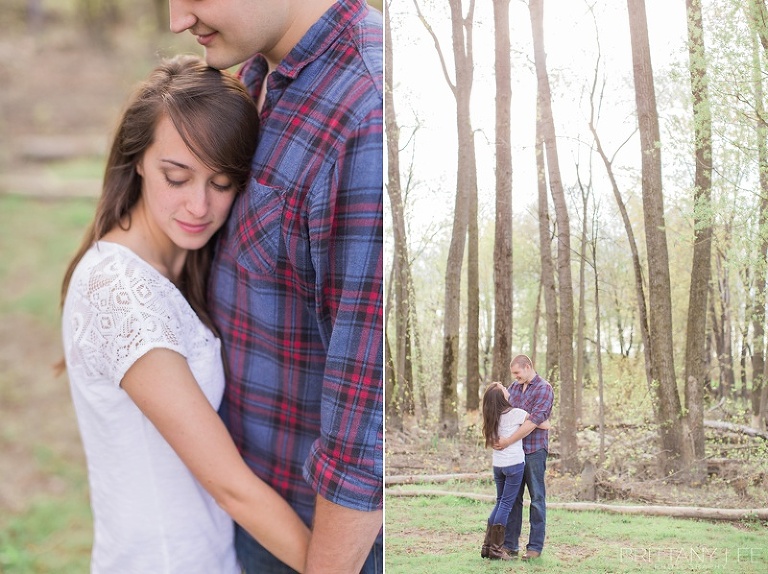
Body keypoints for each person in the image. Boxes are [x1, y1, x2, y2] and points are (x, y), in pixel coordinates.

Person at [60, 55, 310, 573]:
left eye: (221, 184)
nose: (199, 206)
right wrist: (333, 564)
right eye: (177, 177)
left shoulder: (176, 266)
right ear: (138, 161)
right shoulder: (119, 291)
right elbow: (230, 486)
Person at [168, 1, 384, 572]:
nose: (176, 20)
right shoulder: (258, 76)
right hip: (247, 510)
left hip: (320, 541)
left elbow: (367, 424)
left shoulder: (365, 114)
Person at [494, 354, 554, 561]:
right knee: (514, 499)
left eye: (517, 373)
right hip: (514, 455)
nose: (515, 377)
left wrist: (509, 439)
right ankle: (510, 545)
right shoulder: (513, 388)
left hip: (535, 451)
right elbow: (504, 413)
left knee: (537, 498)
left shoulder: (544, 388)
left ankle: (535, 547)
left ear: (527, 367)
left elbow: (534, 421)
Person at [481, 382, 550, 561]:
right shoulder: (515, 414)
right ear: (501, 396)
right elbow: (544, 425)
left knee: (500, 502)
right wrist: (534, 420)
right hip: (513, 465)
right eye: (503, 388)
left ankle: (488, 546)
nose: (507, 388)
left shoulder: (491, 416)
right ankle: (496, 549)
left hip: (498, 465)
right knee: (506, 505)